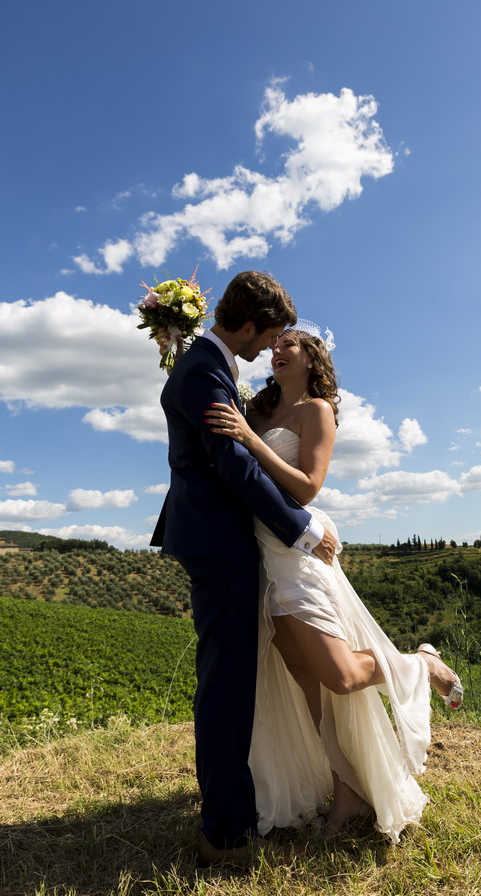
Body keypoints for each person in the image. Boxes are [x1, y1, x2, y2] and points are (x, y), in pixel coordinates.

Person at [205, 321, 463, 841]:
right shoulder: (255, 407)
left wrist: (252, 440)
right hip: (260, 561)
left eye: (288, 344)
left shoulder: (315, 412)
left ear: (312, 357)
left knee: (342, 676)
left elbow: (305, 488)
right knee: (309, 691)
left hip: (297, 556)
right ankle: (346, 793)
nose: (277, 350)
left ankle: (421, 663)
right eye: (273, 344)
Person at [150, 273, 338, 864]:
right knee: (227, 687)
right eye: (271, 336)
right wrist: (302, 528)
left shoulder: (210, 365)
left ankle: (232, 809)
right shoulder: (207, 368)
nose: (270, 349)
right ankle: (226, 834)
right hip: (222, 544)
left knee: (232, 680)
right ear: (250, 325)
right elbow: (231, 464)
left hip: (225, 541)